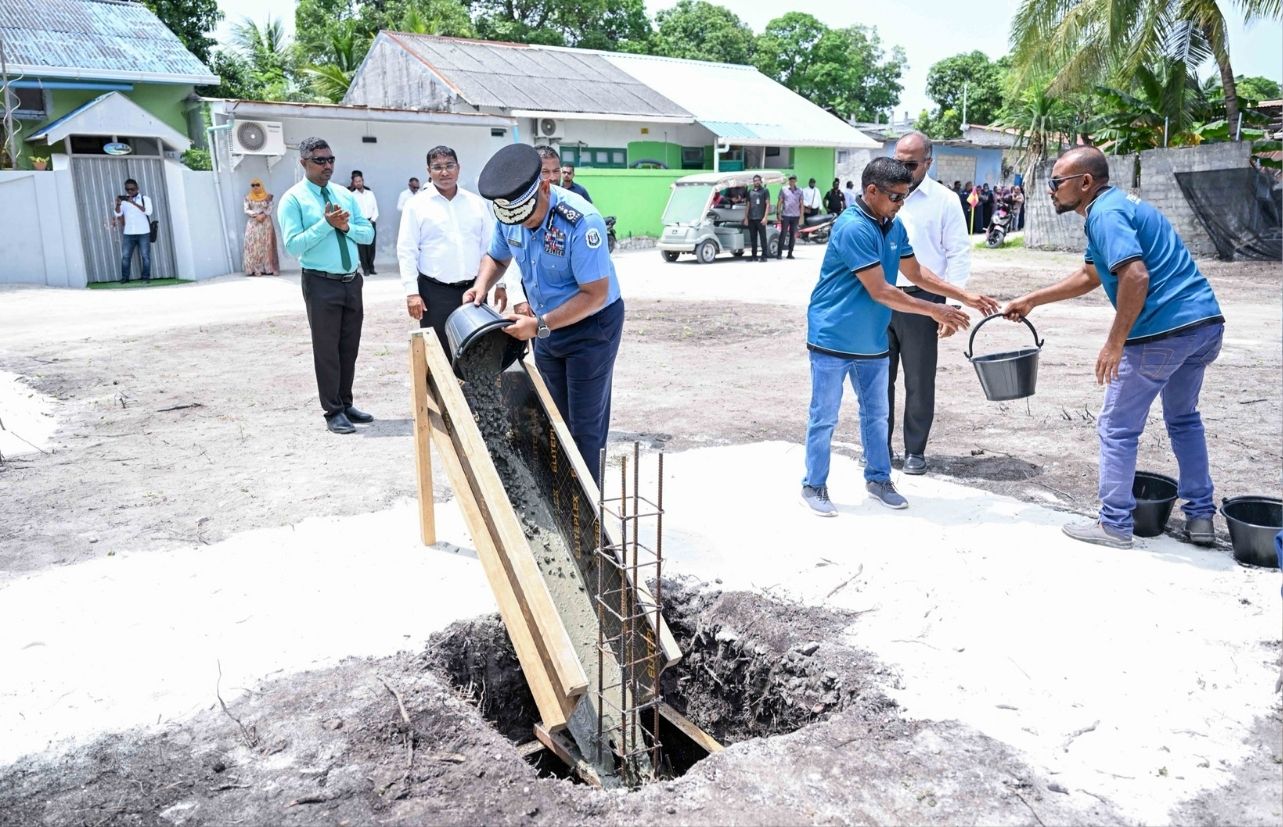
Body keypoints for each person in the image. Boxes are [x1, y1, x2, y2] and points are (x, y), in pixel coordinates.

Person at [1003, 146, 1225, 550]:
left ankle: (1115, 524)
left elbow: (1135, 277)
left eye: (1056, 183)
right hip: (1204, 325)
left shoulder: (1104, 214)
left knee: (1117, 427)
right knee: (1184, 419)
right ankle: (1200, 516)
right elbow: (1091, 275)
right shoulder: (1115, 208)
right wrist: (1033, 298)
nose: (1051, 191)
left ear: (1084, 183)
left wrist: (1115, 342)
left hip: (1162, 332)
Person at [800, 157, 996, 517]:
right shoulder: (852, 228)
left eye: (905, 197)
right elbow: (881, 290)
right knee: (825, 415)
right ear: (871, 191)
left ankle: (879, 479)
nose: (901, 204)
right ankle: (814, 484)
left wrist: (963, 295)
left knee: (876, 414)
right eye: (895, 197)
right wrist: (934, 310)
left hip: (871, 341)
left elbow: (916, 272)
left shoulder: (893, 225)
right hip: (832, 338)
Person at [467, 143, 623, 485]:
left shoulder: (582, 222)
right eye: (514, 219)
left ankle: (588, 516)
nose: (522, 224)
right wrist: (481, 285)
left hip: (591, 325)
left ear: (546, 187)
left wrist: (538, 325)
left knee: (585, 425)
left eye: (528, 216)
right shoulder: (512, 213)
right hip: (543, 325)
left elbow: (594, 294)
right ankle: (562, 492)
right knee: (554, 415)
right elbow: (497, 256)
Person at [883, 132, 972, 475]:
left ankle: (914, 451)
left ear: (927, 163)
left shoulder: (945, 201)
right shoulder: (883, 196)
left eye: (910, 164)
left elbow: (958, 254)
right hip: (883, 297)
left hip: (924, 302)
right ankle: (880, 446)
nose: (902, 169)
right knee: (879, 378)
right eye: (897, 161)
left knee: (919, 380)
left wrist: (951, 307)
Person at [278, 137, 376, 435]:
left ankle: (346, 403)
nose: (327, 166)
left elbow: (367, 235)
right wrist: (326, 224)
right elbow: (294, 245)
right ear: (303, 162)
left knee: (349, 347)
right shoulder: (293, 199)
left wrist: (345, 227)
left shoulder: (344, 195)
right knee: (327, 350)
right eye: (319, 160)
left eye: (330, 159)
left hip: (351, 281)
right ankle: (332, 411)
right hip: (321, 283)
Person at [397, 145, 495, 360]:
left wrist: (493, 285)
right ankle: (441, 395)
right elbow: (407, 250)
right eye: (437, 167)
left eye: (449, 166)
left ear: (458, 168)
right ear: (428, 171)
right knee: (439, 355)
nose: (444, 172)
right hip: (434, 293)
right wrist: (412, 292)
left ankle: (474, 394)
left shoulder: (476, 203)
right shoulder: (416, 206)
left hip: (474, 291)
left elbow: (489, 249)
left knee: (478, 352)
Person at [114, 179, 153, 283]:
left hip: (143, 232)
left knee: (145, 256)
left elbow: (149, 212)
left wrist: (134, 203)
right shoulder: (123, 201)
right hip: (129, 232)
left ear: (137, 188)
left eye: (132, 189)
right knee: (126, 257)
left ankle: (145, 278)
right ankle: (125, 278)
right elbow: (118, 214)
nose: (130, 191)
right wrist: (118, 204)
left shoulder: (145, 198)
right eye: (127, 189)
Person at [241, 177, 279, 276]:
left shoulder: (268, 196)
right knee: (253, 245)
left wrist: (264, 214)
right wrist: (256, 215)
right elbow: (246, 209)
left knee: (267, 245)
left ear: (261, 185)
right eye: (253, 185)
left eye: (257, 185)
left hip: (266, 223)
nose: (255, 187)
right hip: (253, 223)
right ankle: (254, 269)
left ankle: (268, 268)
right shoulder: (248, 197)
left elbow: (270, 208)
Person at [349, 171, 379, 276]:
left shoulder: (370, 193)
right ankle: (365, 269)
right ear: (353, 183)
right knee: (362, 247)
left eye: (359, 181)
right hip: (360, 223)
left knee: (372, 246)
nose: (358, 183)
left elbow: (375, 208)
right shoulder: (352, 195)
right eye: (356, 181)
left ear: (363, 181)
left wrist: (373, 220)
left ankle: (371, 267)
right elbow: (352, 211)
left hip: (371, 222)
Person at [740, 174, 772, 262]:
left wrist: (765, 217)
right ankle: (754, 256)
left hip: (761, 218)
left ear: (760, 181)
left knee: (763, 238)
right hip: (751, 219)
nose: (756, 182)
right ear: (753, 182)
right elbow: (748, 205)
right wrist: (746, 218)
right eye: (755, 180)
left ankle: (764, 256)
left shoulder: (765, 191)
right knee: (753, 238)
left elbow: (768, 204)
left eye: (758, 180)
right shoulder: (750, 192)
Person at [776, 175, 803, 259]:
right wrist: (778, 213)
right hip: (785, 215)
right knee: (783, 234)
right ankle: (779, 254)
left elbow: (801, 203)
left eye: (794, 180)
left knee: (793, 235)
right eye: (791, 180)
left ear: (796, 181)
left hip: (795, 216)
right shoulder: (784, 189)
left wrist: (801, 216)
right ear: (789, 181)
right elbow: (780, 202)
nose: (792, 182)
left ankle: (790, 253)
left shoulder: (800, 190)